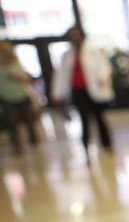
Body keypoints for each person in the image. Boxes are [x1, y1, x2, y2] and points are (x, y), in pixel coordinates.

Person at [52, 25, 115, 155]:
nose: (74, 37)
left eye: (76, 34)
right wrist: (57, 94)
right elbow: (61, 77)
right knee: (84, 119)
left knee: (99, 118)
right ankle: (86, 146)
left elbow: (105, 67)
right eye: (71, 35)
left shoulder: (94, 52)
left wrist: (102, 77)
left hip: (95, 90)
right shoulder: (67, 56)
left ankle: (106, 144)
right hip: (78, 91)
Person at [0, 41, 39, 153]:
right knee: (11, 123)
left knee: (28, 120)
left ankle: (34, 141)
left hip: (22, 95)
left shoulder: (15, 63)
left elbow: (27, 79)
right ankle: (17, 146)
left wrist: (16, 77)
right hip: (5, 98)